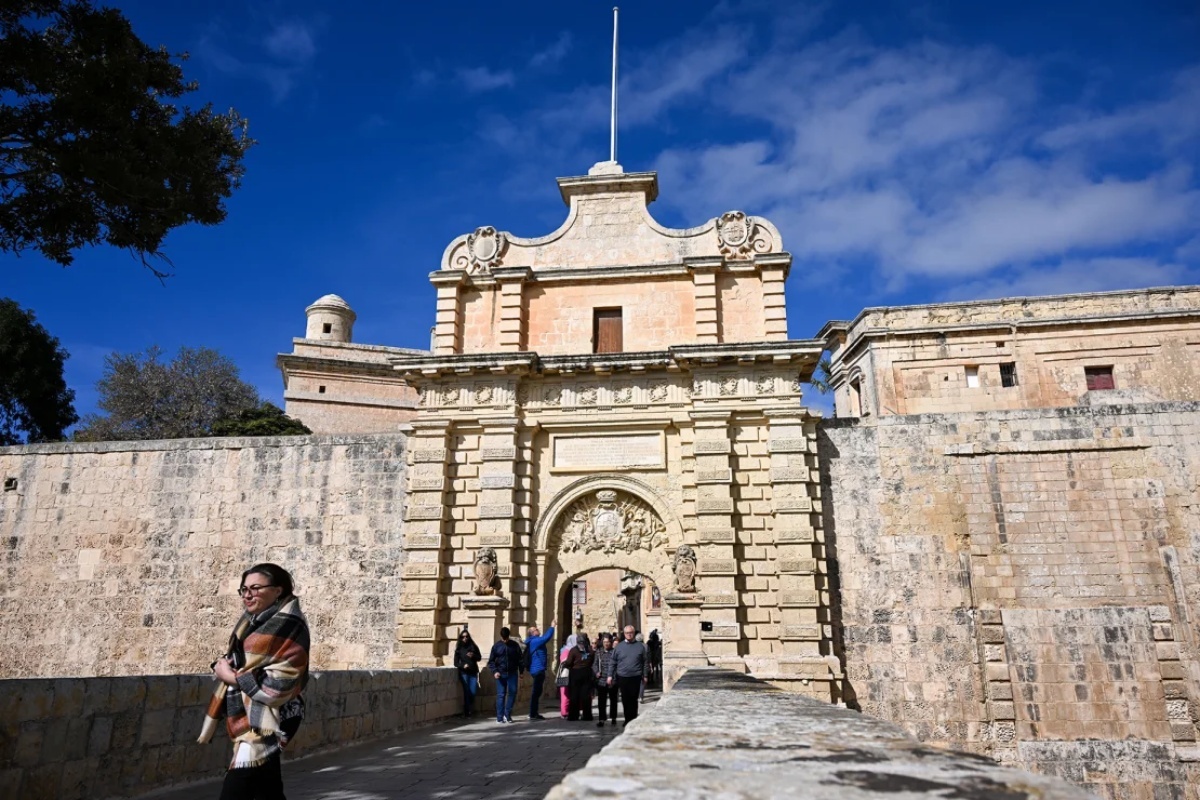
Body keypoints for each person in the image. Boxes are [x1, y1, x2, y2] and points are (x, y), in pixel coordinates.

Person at [199, 563, 310, 800]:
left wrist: (231, 676)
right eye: (244, 589)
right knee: (267, 788)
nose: (248, 595)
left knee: (236, 786)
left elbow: (280, 683)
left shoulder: (290, 624)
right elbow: (247, 661)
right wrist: (227, 664)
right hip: (250, 711)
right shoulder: (251, 621)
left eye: (256, 588)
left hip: (274, 714)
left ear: (278, 590)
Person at [605, 625, 650, 725]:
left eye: (631, 632)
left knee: (634, 699)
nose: (629, 634)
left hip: (636, 676)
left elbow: (645, 662)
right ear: (624, 634)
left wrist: (645, 675)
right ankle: (627, 719)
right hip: (622, 676)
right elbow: (613, 662)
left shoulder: (640, 646)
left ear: (634, 633)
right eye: (627, 633)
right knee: (625, 699)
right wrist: (609, 675)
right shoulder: (619, 647)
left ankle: (633, 719)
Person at [486, 626, 523, 723]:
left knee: (513, 693)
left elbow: (520, 659)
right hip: (500, 673)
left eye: (506, 638)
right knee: (501, 695)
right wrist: (495, 671)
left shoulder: (514, 645)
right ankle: (499, 717)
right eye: (504, 638)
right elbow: (491, 661)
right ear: (501, 637)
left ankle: (507, 714)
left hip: (512, 673)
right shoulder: (496, 646)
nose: (505, 640)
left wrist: (521, 672)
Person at [524, 618, 557, 720]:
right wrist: (552, 626)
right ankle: (532, 713)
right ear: (532, 633)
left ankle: (534, 713)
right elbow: (546, 638)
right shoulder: (535, 641)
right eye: (536, 629)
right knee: (536, 692)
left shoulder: (533, 641)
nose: (538, 629)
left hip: (538, 669)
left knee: (537, 692)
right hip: (537, 669)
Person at [563, 633, 595, 721]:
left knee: (574, 695)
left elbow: (569, 662)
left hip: (575, 674)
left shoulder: (573, 650)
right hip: (587, 673)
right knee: (586, 696)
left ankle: (573, 715)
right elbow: (592, 661)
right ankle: (587, 716)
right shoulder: (590, 650)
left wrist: (565, 665)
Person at [453, 629, 482, 718]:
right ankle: (467, 712)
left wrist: (473, 655)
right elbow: (456, 662)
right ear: (460, 638)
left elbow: (479, 657)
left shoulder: (473, 646)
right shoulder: (459, 649)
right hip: (464, 673)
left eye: (466, 636)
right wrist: (462, 665)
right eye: (463, 637)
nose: (465, 638)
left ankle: (469, 709)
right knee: (466, 692)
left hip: (473, 672)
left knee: (472, 692)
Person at [593, 633, 617, 726]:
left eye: (608, 642)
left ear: (611, 642)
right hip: (602, 680)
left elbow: (617, 665)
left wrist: (614, 677)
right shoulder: (598, 652)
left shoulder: (615, 652)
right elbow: (594, 664)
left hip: (613, 679)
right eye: (604, 642)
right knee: (601, 701)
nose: (606, 644)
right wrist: (596, 672)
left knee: (613, 700)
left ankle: (613, 717)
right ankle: (601, 719)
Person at [558, 634, 576, 716]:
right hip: (568, 673)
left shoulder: (563, 649)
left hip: (562, 673)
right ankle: (565, 711)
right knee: (567, 692)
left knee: (564, 692)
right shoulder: (571, 651)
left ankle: (564, 711)